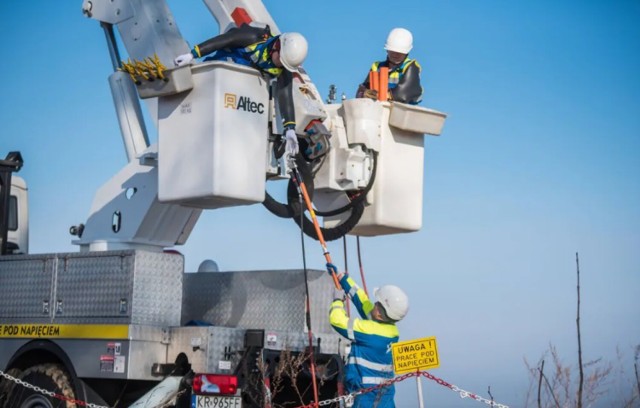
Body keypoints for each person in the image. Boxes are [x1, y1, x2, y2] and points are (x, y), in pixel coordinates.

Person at [174, 24, 308, 157]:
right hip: (215, 76)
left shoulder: (284, 65)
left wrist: (290, 128)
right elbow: (224, 40)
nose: (281, 65)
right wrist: (192, 54)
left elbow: (285, 94)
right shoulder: (254, 37)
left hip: (237, 93)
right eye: (281, 60)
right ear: (276, 47)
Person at [326, 263, 409, 407]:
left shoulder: (368, 332)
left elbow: (337, 320)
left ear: (380, 311)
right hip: (385, 396)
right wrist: (342, 278)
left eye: (377, 302)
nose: (374, 304)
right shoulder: (391, 331)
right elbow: (363, 302)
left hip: (366, 398)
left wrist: (337, 301)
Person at [356, 27, 423, 105]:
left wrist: (385, 95)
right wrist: (363, 94)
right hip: (379, 110)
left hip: (403, 111)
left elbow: (405, 92)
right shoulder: (377, 66)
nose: (395, 55)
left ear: (406, 52)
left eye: (399, 52)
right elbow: (361, 90)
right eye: (392, 51)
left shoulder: (411, 66)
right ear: (387, 49)